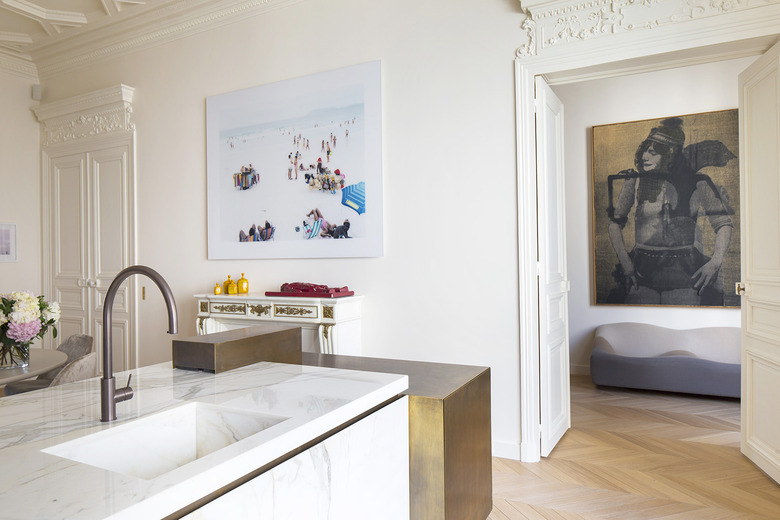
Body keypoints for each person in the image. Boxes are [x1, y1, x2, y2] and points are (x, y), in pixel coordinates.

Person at [607, 117, 734, 306]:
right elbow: (614, 224)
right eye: (644, 151)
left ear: (670, 154)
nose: (645, 157)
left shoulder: (698, 182)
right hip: (641, 269)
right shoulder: (634, 181)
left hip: (685, 271)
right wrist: (626, 265)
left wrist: (715, 263)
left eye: (653, 153)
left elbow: (723, 224)